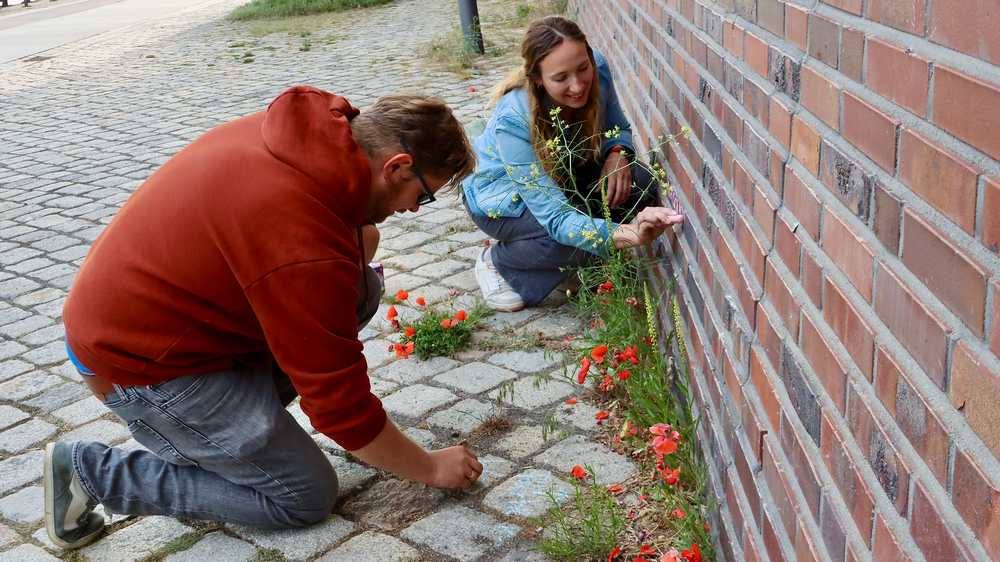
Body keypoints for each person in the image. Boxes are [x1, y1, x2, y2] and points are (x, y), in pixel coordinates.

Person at [45, 86, 482, 550]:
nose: (413, 209)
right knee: (302, 495)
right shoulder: (301, 239)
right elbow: (340, 407)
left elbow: (342, 250)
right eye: (424, 195)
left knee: (358, 289)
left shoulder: (309, 137)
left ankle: (225, 440)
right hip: (142, 366)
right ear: (395, 167)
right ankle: (92, 473)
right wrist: (429, 467)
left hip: (162, 327)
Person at [463, 16, 684, 312]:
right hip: (504, 202)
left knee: (639, 185)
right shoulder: (513, 121)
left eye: (583, 68)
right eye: (561, 78)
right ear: (537, 78)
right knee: (565, 240)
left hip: (562, 176)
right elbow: (556, 219)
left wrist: (617, 151)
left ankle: (568, 258)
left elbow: (617, 126)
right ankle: (499, 261)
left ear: (590, 58)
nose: (578, 85)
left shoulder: (599, 68)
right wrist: (630, 234)